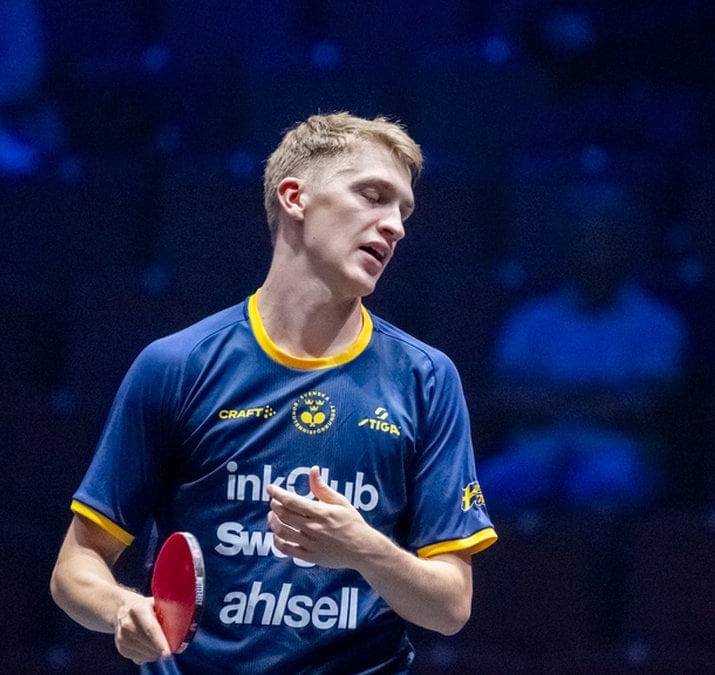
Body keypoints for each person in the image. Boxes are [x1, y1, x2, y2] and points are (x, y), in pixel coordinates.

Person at [50, 112, 497, 673]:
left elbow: (450, 607)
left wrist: (363, 549)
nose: (395, 227)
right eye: (373, 196)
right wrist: (122, 609)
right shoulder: (177, 366)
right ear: (295, 198)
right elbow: (76, 566)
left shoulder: (426, 377)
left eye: (403, 212)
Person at [479, 181, 687, 516]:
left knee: (605, 484)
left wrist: (554, 397)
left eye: (606, 239)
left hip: (617, 452)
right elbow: (508, 396)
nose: (596, 252)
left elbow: (646, 406)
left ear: (625, 246)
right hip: (537, 450)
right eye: (586, 240)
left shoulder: (657, 323)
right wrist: (601, 397)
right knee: (483, 490)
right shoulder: (531, 320)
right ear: (567, 247)